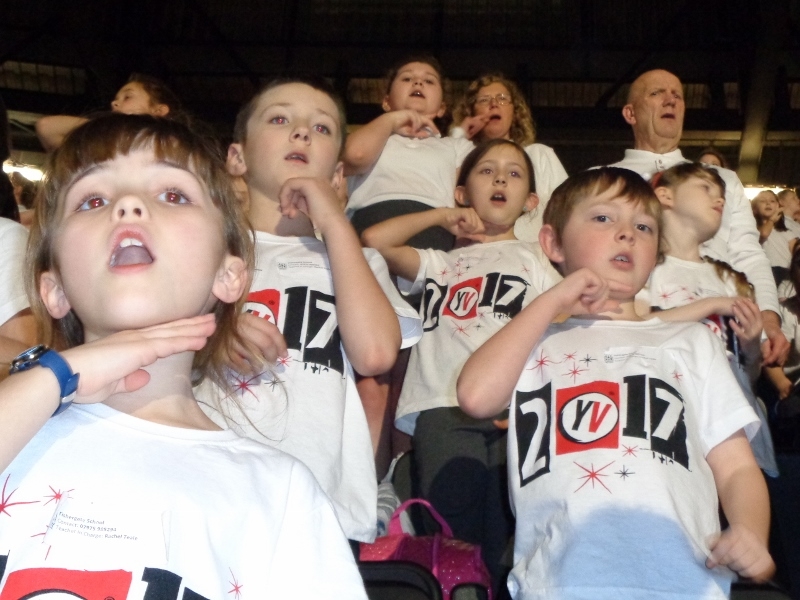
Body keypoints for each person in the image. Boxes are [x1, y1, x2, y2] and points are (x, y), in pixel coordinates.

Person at [0, 113, 366, 598]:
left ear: (229, 275)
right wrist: (56, 374)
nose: (128, 205)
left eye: (173, 195)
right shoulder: (18, 428)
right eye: (93, 200)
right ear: (55, 289)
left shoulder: (280, 494)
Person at [458, 167, 774, 598]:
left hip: (682, 582)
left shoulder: (691, 341)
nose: (627, 233)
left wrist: (750, 531)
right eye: (603, 218)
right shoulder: (533, 340)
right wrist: (554, 299)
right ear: (552, 243)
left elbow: (736, 465)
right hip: (559, 582)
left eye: (644, 227)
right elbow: (475, 397)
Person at [213, 77, 420, 544]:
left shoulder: (358, 262)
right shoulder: (205, 255)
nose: (302, 132)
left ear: (338, 175)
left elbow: (375, 354)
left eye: (322, 128)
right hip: (212, 494)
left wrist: (333, 221)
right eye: (280, 119)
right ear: (237, 157)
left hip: (318, 503)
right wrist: (213, 340)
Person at [363, 139, 558, 594]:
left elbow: (561, 321)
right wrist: (439, 216)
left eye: (514, 173)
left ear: (531, 201)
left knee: (509, 534)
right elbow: (374, 241)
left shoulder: (535, 259)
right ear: (462, 192)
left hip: (511, 409)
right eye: (486, 170)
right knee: (455, 535)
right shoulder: (439, 262)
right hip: (441, 406)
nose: (500, 178)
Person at [609, 69, 789, 366]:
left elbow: (748, 254)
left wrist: (768, 318)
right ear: (630, 113)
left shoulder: (722, 180)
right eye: (656, 93)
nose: (670, 100)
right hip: (637, 337)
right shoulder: (602, 181)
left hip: (722, 338)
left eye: (677, 96)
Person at [638, 163, 777, 476]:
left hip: (732, 430)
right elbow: (637, 325)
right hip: (672, 425)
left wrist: (751, 346)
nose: (720, 199)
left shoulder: (731, 279)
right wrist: (712, 304)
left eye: (722, 194)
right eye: (705, 187)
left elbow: (748, 375)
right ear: (665, 196)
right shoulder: (644, 270)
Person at [344, 55, 474, 251]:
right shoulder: (372, 137)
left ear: (441, 108)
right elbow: (355, 156)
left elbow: (465, 196)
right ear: (386, 101)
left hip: (433, 233)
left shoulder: (455, 146)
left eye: (429, 81)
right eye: (407, 78)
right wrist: (391, 120)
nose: (418, 82)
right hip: (367, 224)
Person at [451, 73, 568, 240]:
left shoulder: (539, 154)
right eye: (484, 100)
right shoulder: (463, 158)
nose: (493, 104)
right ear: (471, 111)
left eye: (502, 98)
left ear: (515, 111)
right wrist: (459, 134)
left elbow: (567, 207)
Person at [35, 73, 184, 152]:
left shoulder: (174, 148)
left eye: (128, 97)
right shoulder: (99, 148)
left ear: (158, 110)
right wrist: (105, 127)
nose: (114, 103)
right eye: (115, 99)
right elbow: (46, 127)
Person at [752, 189, 799, 284]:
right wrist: (771, 220)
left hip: (787, 274)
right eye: (762, 201)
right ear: (755, 209)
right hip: (767, 272)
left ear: (778, 206)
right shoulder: (754, 229)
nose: (768, 203)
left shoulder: (786, 232)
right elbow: (764, 234)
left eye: (772, 201)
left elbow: (796, 251)